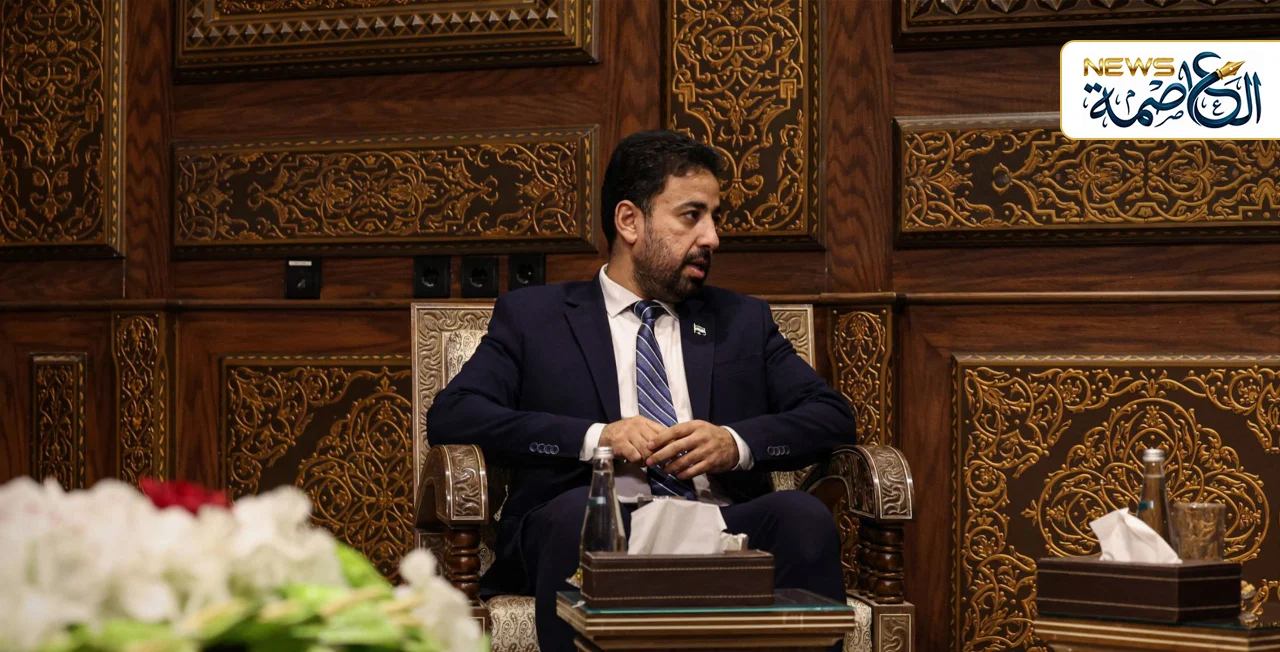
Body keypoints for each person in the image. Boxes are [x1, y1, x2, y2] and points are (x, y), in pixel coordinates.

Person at [428, 129, 856, 651]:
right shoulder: (535, 318)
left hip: (721, 523)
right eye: (691, 215)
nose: (712, 237)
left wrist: (733, 443)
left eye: (714, 217)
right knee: (578, 517)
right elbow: (455, 414)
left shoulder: (741, 320)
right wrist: (596, 438)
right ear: (630, 221)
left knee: (803, 517)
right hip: (593, 522)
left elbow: (831, 416)